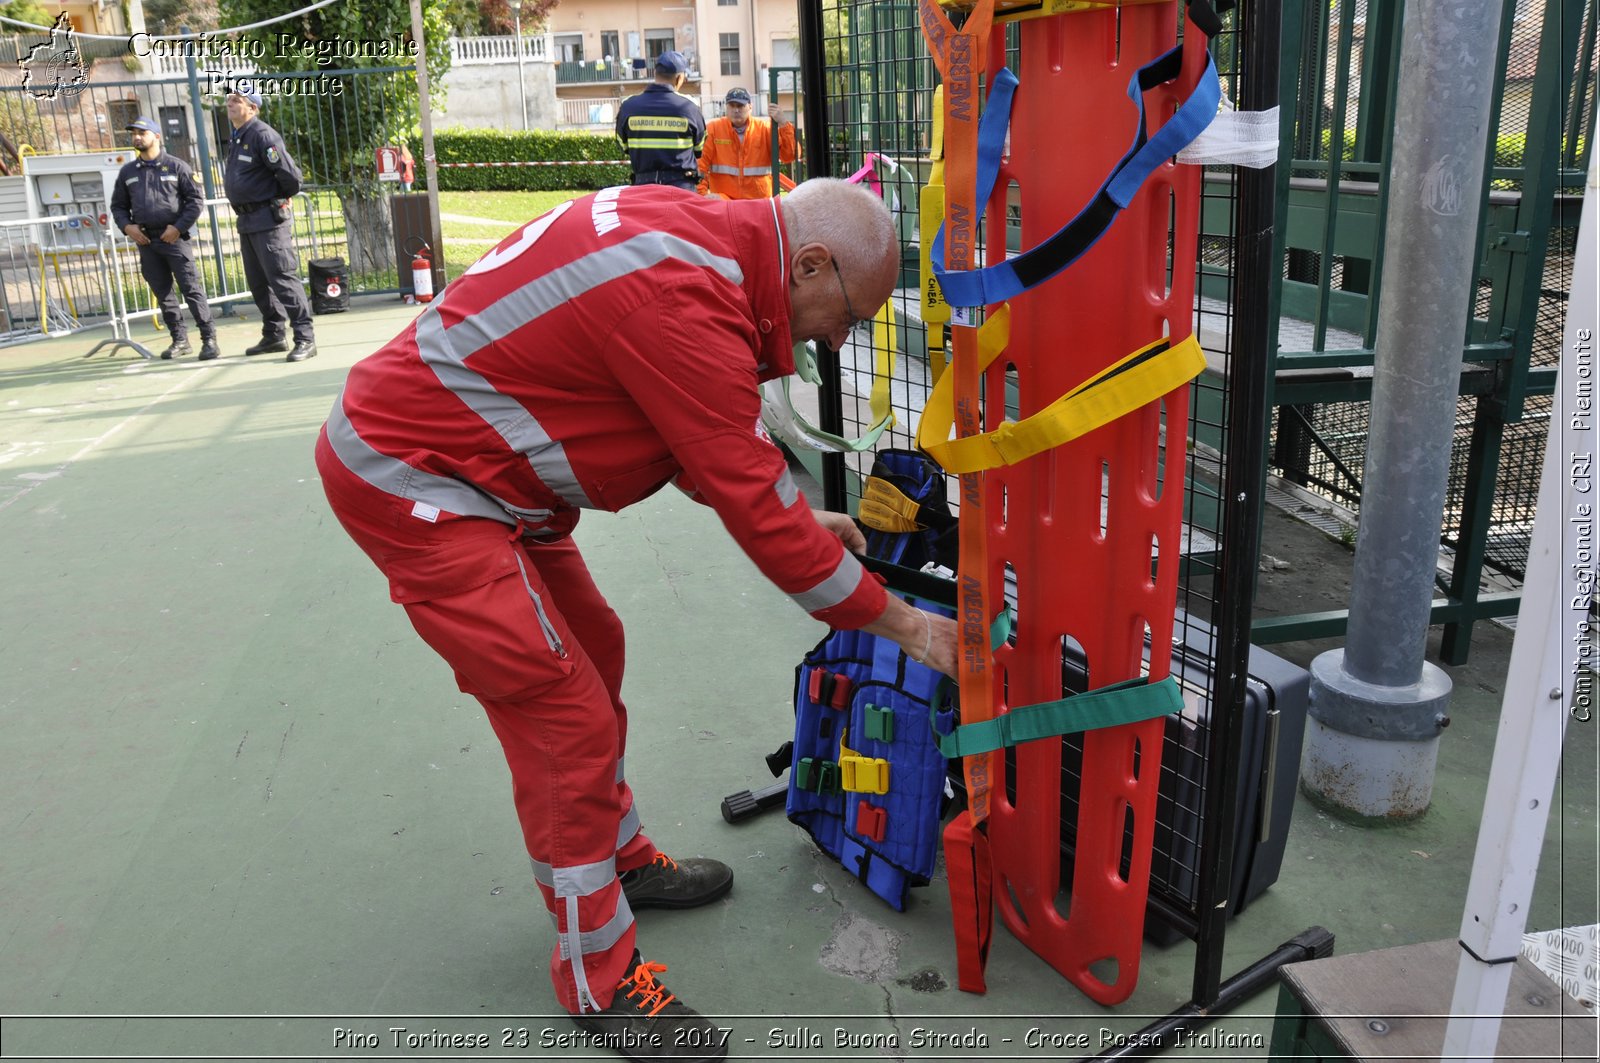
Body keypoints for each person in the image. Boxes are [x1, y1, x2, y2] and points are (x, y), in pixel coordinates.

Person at [315, 178, 957, 1062]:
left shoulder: (697, 245)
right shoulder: (683, 297)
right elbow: (755, 513)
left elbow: (689, 429)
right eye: (847, 314)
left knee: (593, 647)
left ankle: (619, 858)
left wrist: (803, 521)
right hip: (419, 479)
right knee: (560, 712)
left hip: (483, 477)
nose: (837, 338)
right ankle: (599, 979)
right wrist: (915, 631)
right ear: (808, 262)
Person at [109, 117, 219, 361]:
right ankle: (179, 340)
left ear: (157, 136)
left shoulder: (177, 166)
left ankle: (209, 339)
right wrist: (128, 227)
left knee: (191, 289)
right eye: (134, 133)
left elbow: (195, 201)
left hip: (174, 239)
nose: (137, 137)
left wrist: (178, 228)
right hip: (147, 241)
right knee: (163, 293)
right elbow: (117, 206)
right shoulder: (127, 172)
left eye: (142, 132)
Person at [221, 87, 316, 363]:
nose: (230, 103)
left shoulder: (262, 135)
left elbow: (291, 178)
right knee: (258, 282)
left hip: (267, 218)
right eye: (228, 99)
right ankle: (274, 334)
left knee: (283, 278)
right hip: (247, 220)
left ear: (253, 107)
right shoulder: (238, 137)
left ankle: (305, 337)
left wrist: (275, 199)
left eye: (236, 99)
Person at [614, 51, 706, 191]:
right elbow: (699, 148)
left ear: (655, 74)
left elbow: (623, 146)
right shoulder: (689, 107)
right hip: (681, 187)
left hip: (643, 188)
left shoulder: (628, 106)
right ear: (679, 78)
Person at [697, 88, 799, 200]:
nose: (736, 110)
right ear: (726, 107)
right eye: (732, 105)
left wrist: (783, 123)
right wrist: (702, 196)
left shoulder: (765, 129)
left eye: (740, 106)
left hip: (758, 204)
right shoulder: (714, 129)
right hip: (725, 204)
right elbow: (700, 166)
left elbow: (790, 155)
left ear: (750, 107)